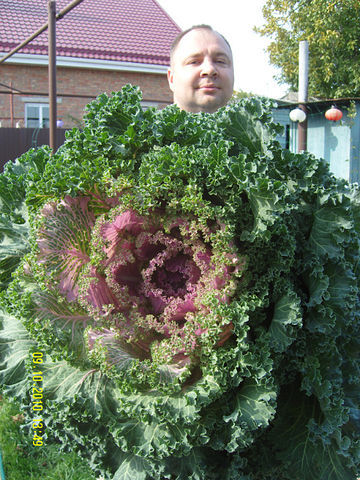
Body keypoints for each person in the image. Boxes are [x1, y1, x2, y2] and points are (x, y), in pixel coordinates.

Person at [167, 24, 234, 113]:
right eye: (194, 62)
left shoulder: (255, 125)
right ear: (171, 78)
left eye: (220, 61)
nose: (209, 69)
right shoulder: (145, 126)